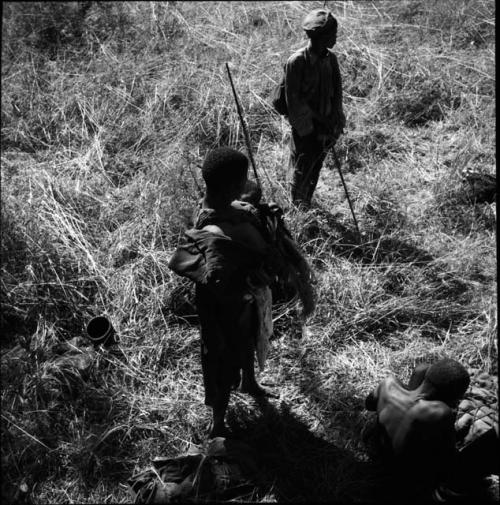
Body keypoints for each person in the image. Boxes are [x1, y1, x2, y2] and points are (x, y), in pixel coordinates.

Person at [169, 148, 313, 438]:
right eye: (242, 180)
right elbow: (238, 266)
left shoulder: (216, 206)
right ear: (233, 186)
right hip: (222, 306)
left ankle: (249, 381)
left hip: (241, 301)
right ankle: (218, 422)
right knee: (220, 358)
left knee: (247, 337)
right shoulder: (220, 230)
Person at [365, 358, 499, 502]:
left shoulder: (388, 384)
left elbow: (369, 404)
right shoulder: (440, 411)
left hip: (382, 451)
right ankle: (447, 492)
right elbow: (448, 454)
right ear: (452, 397)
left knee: (421, 368)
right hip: (412, 479)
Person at [284, 8, 345, 208]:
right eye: (332, 34)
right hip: (306, 128)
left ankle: (306, 201)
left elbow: (337, 91)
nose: (335, 38)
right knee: (302, 167)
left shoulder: (331, 59)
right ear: (320, 37)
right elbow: (295, 102)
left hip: (326, 127)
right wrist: (315, 124)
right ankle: (297, 208)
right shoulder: (297, 62)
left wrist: (335, 119)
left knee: (316, 165)